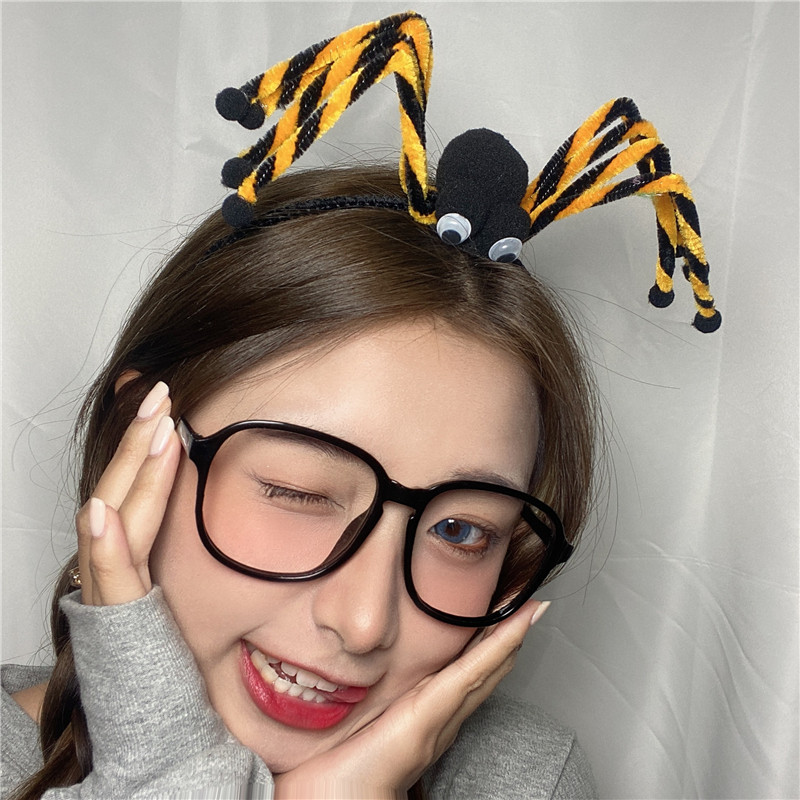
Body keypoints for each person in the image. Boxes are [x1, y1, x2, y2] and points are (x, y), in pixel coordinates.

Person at [1, 160, 599, 798]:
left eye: (459, 530)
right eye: (298, 491)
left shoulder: (524, 777)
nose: (364, 623)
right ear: (138, 438)